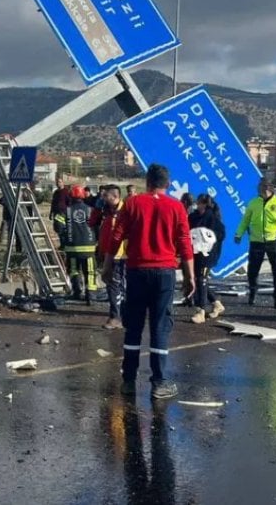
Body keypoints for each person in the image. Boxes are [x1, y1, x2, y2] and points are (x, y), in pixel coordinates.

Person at [104, 163, 194, 400]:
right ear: (168, 183)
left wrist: (107, 264)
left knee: (133, 326)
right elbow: (185, 243)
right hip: (164, 272)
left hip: (137, 271)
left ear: (147, 182)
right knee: (160, 326)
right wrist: (190, 276)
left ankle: (129, 381)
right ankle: (159, 382)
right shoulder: (176, 207)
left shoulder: (133, 203)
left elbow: (116, 236)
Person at [235, 181, 276, 308]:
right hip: (256, 241)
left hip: (272, 241)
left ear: (269, 190)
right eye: (259, 189)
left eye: (262, 189)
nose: (260, 191)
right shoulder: (253, 203)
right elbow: (245, 220)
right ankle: (252, 291)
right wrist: (238, 234)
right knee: (252, 270)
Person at [93, 184, 128, 329]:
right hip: (109, 254)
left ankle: (118, 317)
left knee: (119, 286)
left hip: (122, 255)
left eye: (105, 196)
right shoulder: (107, 212)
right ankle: (117, 316)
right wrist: (96, 209)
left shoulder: (125, 211)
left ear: (114, 196)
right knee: (112, 286)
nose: (103, 198)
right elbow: (92, 223)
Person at [188, 193, 227, 323]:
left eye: (198, 203)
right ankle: (216, 303)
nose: (196, 205)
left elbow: (220, 235)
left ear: (204, 204)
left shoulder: (213, 219)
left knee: (201, 279)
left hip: (207, 255)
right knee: (198, 280)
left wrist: (207, 239)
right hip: (195, 253)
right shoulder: (193, 217)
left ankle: (201, 310)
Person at [63, 185, 99, 303]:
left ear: (71, 196)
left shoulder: (66, 210)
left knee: (74, 270)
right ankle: (91, 296)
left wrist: (65, 236)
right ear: (83, 196)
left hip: (72, 248)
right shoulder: (91, 210)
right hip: (89, 248)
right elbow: (98, 227)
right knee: (90, 271)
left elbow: (57, 225)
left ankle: (77, 292)